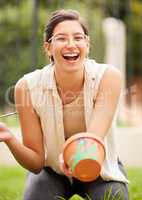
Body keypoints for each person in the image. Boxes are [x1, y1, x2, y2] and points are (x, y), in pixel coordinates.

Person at [0, 9, 129, 200]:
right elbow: (36, 163)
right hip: (53, 170)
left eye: (78, 37)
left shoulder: (108, 77)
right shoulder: (26, 87)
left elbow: (91, 140)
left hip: (98, 166)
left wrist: (70, 157)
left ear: (87, 44)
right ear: (48, 47)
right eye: (61, 38)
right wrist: (9, 138)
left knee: (113, 197)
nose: (71, 45)